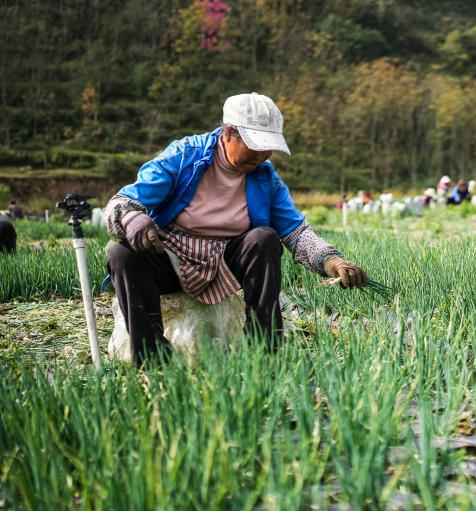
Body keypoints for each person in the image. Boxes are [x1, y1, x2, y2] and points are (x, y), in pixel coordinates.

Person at [104, 92, 368, 365]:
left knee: (264, 239)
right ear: (228, 133)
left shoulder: (264, 177)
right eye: (256, 145)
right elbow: (122, 202)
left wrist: (332, 261)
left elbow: (295, 231)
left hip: (224, 264)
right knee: (122, 255)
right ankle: (152, 359)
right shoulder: (184, 157)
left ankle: (265, 350)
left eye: (268, 147)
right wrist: (132, 218)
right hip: (172, 257)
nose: (263, 154)